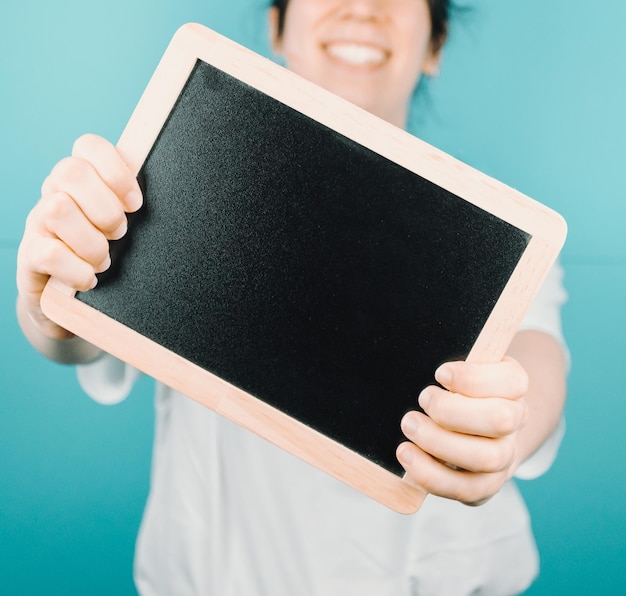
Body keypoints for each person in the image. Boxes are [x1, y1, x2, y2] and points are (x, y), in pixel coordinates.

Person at [16, 0, 568, 593]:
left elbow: (538, 355)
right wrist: (51, 291)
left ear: (434, 46)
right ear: (277, 27)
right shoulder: (191, 164)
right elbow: (81, 338)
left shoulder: (494, 241)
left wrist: (507, 427)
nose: (361, 8)